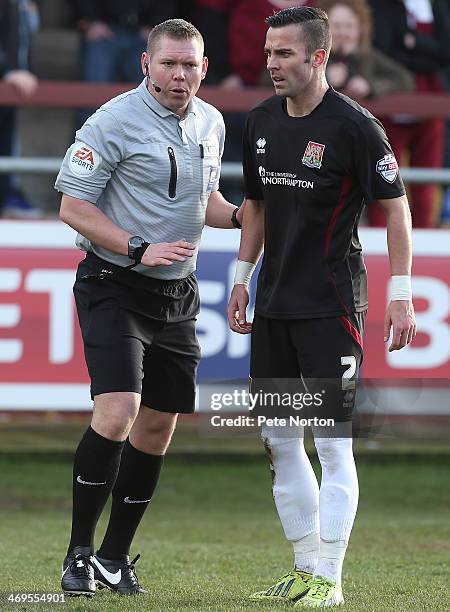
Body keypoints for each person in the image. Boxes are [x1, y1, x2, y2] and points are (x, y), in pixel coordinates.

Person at [227, 7, 415, 608]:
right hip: (274, 304)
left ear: (317, 57)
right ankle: (304, 568)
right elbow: (253, 206)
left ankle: (329, 581)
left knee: (333, 443)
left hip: (331, 305)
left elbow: (397, 207)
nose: (271, 64)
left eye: (284, 54)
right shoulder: (258, 120)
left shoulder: (356, 128)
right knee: (281, 440)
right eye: (268, 52)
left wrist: (401, 294)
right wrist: (240, 277)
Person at [55, 18, 243, 598]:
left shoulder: (212, 121)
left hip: (178, 292)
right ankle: (79, 554)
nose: (180, 74)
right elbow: (72, 206)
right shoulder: (110, 120)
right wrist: (138, 247)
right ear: (146, 64)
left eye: (190, 64)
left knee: (159, 425)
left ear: (204, 69)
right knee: (119, 410)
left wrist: (240, 217)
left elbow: (203, 198)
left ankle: (115, 558)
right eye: (169, 63)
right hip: (115, 283)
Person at [367, 0, 450, 227]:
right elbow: (385, 50)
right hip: (392, 97)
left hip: (431, 98)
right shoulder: (383, 6)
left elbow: (445, 51)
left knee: (428, 176)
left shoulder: (437, 5)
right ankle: (381, 234)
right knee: (385, 172)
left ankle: (424, 234)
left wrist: (413, 42)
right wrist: (426, 51)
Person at [319, 0, 413, 99]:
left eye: (349, 26)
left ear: (360, 30)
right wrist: (325, 78)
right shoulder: (314, 57)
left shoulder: (368, 55)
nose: (343, 33)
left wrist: (370, 85)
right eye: (336, 26)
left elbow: (405, 79)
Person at [0, 0, 41, 218]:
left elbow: (21, 40)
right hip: (7, 81)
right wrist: (8, 70)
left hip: (13, 86)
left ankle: (6, 196)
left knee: (6, 147)